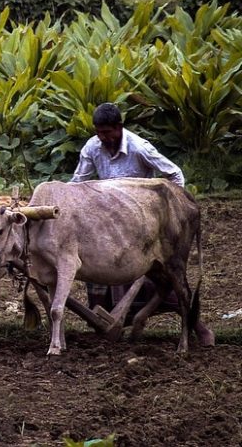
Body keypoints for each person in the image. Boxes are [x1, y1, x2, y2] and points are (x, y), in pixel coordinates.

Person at [70, 102, 215, 347]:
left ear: (119, 128)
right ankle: (119, 320)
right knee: (100, 268)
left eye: (107, 132)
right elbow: (77, 182)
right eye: (98, 132)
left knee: (164, 277)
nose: (103, 137)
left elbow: (174, 174)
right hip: (110, 219)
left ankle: (198, 327)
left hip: (142, 219)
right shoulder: (92, 147)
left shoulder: (139, 148)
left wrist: (171, 212)